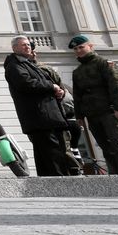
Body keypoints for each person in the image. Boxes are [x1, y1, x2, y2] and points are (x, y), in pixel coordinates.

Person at [4, 36, 74, 176]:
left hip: (47, 116)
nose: (28, 47)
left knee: (48, 154)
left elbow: (44, 82)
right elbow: (26, 83)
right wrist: (51, 87)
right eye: (23, 45)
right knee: (52, 154)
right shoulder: (15, 65)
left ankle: (51, 182)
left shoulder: (27, 64)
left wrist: (57, 90)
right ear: (14, 48)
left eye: (28, 44)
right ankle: (59, 182)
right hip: (40, 117)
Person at [69, 35, 118, 175]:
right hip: (92, 114)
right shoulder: (77, 72)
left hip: (109, 111)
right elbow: (77, 96)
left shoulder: (105, 64)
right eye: (75, 49)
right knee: (105, 147)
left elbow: (117, 86)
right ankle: (115, 175)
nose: (78, 50)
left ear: (90, 46)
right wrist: (79, 116)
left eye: (81, 47)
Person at [29, 41, 82, 174]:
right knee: (56, 148)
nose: (33, 53)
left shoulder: (45, 69)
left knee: (63, 147)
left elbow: (61, 90)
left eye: (33, 51)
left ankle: (74, 170)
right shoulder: (30, 70)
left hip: (54, 115)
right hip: (45, 116)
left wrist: (59, 92)